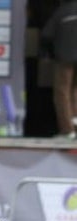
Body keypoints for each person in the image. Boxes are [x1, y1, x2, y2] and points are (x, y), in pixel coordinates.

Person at [42, 0, 77, 139]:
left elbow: (47, 34)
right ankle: (75, 127)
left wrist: (47, 53)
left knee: (62, 93)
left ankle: (67, 131)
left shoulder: (61, 12)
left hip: (65, 59)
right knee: (75, 92)